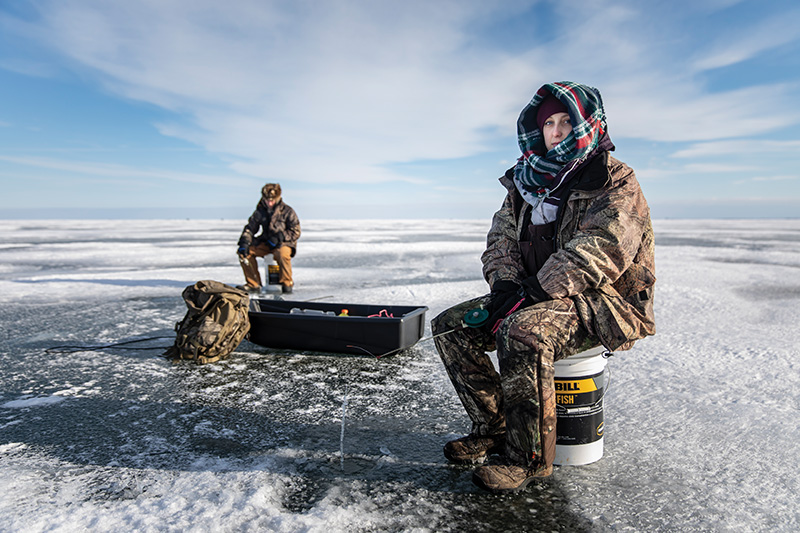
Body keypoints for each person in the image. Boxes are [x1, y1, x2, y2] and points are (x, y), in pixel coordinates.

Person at [431, 81, 656, 493]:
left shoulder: (613, 178)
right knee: (451, 327)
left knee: (523, 332)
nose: (555, 130)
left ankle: (527, 459)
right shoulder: (523, 181)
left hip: (601, 302)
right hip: (528, 294)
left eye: (566, 120)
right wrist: (504, 286)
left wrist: (533, 292)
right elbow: (500, 239)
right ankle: (493, 427)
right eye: (548, 122)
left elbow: (603, 248)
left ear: (588, 122)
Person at [237, 183, 301, 294]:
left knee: (281, 254)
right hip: (266, 243)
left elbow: (296, 231)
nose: (269, 203)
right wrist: (244, 242)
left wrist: (280, 237)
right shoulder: (260, 211)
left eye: (272, 200)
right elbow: (250, 228)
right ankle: (254, 284)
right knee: (245, 253)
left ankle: (286, 283)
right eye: (267, 200)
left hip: (284, 244)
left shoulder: (287, 211)